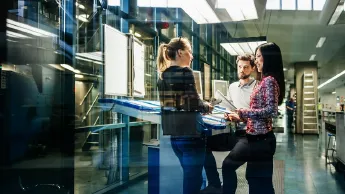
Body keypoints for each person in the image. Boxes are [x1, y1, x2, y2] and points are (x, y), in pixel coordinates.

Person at [223, 42, 285, 194]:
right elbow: (259, 112)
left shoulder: (269, 81)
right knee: (256, 181)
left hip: (261, 141)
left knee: (259, 184)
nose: (256, 60)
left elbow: (271, 110)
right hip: (256, 139)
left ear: (268, 58)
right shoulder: (265, 80)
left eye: (258, 57)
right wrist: (240, 117)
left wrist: (244, 112)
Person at [156, 37, 213, 194]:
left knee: (191, 177)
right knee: (194, 180)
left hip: (175, 137)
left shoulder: (162, 77)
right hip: (191, 134)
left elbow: (177, 104)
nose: (192, 56)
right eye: (190, 51)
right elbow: (192, 103)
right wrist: (206, 106)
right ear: (180, 52)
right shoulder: (185, 72)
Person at [201, 54, 257, 194]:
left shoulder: (257, 87)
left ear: (252, 68)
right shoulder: (232, 87)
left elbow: (259, 115)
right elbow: (230, 108)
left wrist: (239, 117)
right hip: (234, 132)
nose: (242, 70)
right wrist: (227, 114)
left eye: (245, 67)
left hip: (250, 135)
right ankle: (214, 184)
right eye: (239, 67)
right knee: (202, 145)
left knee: (228, 165)